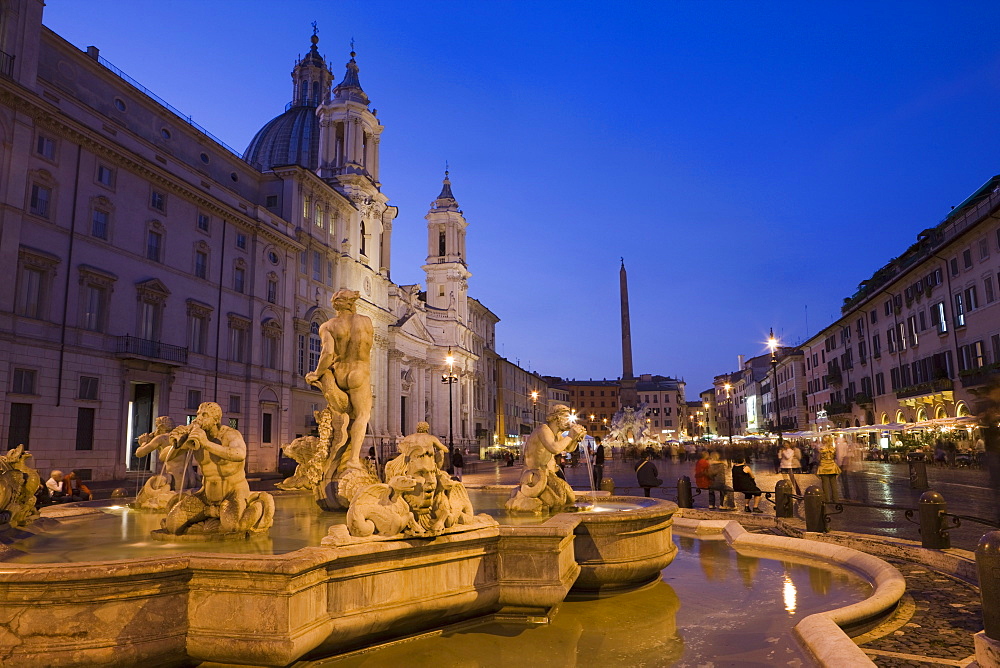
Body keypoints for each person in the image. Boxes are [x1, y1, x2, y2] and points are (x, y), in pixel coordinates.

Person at [161, 401, 273, 535]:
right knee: (173, 524)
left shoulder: (230, 435)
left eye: (204, 415)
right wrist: (177, 443)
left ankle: (259, 505)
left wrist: (206, 444)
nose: (198, 419)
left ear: (215, 420)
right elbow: (164, 457)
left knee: (233, 527)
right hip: (206, 496)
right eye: (198, 414)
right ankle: (210, 517)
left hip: (233, 493)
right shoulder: (195, 437)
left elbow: (240, 454)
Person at [304, 289, 374, 470]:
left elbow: (327, 353)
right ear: (352, 303)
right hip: (359, 373)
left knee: (341, 418)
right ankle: (352, 460)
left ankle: (335, 455)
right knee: (361, 416)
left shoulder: (328, 326)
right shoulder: (366, 322)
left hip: (339, 374)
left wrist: (317, 373)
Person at [815, 436, 840, 502]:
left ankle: (827, 499)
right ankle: (835, 499)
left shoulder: (821, 449)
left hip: (824, 466)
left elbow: (818, 458)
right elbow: (835, 457)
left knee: (825, 485)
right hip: (832, 466)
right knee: (834, 484)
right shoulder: (833, 449)